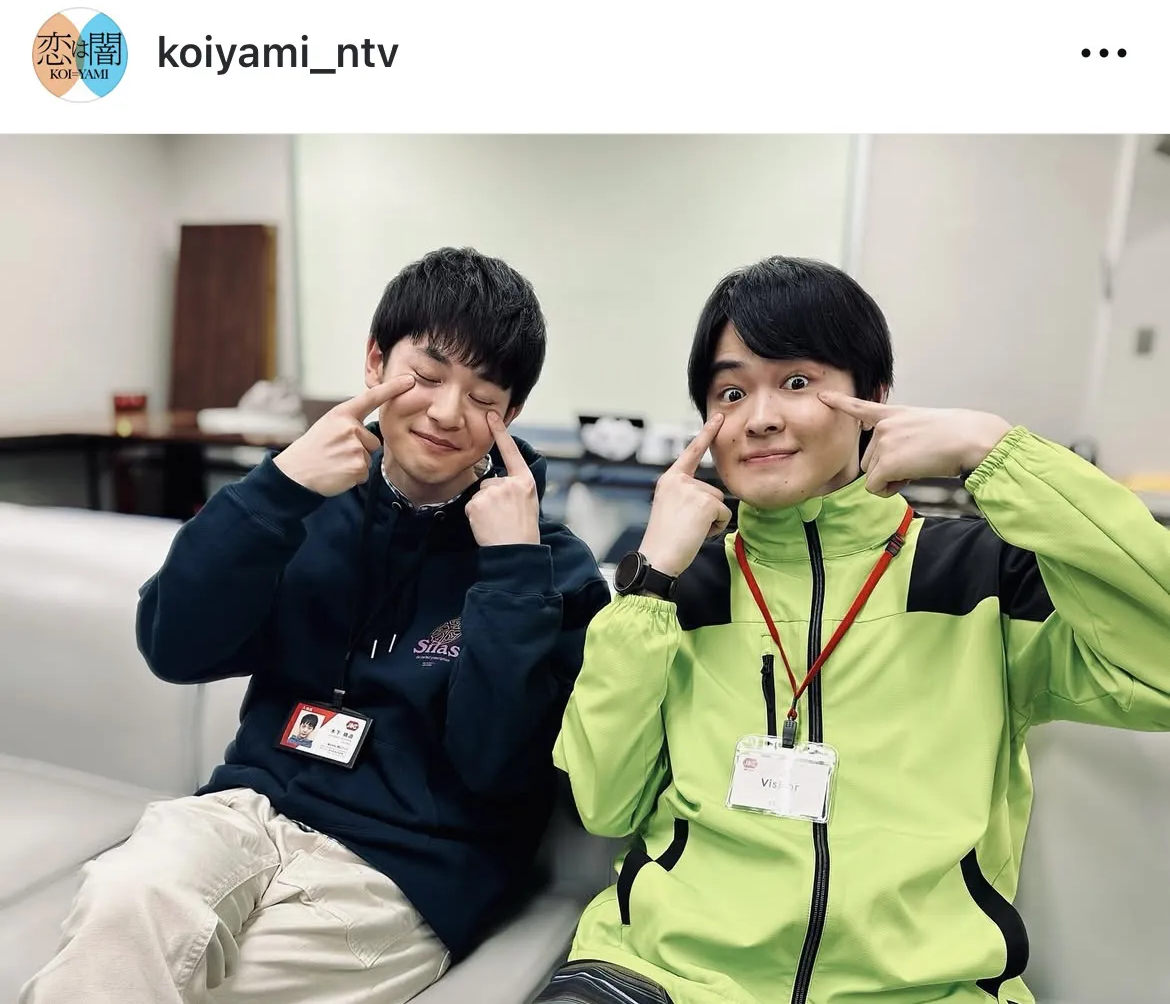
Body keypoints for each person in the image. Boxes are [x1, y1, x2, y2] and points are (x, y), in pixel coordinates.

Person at [540, 255, 1170, 1004]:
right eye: (731, 392)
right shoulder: (682, 591)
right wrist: (647, 583)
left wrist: (999, 456)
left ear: (873, 397)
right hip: (668, 978)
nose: (760, 417)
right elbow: (605, 802)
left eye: (796, 382)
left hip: (920, 991)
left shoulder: (980, 575)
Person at [22, 247, 611, 1004]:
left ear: (512, 413)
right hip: (245, 810)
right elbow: (173, 647)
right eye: (427, 376)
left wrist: (508, 571)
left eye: (483, 395)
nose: (446, 412)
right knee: (122, 906)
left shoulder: (547, 567)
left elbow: (496, 768)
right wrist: (275, 490)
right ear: (375, 362)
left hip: (403, 869)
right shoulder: (306, 499)